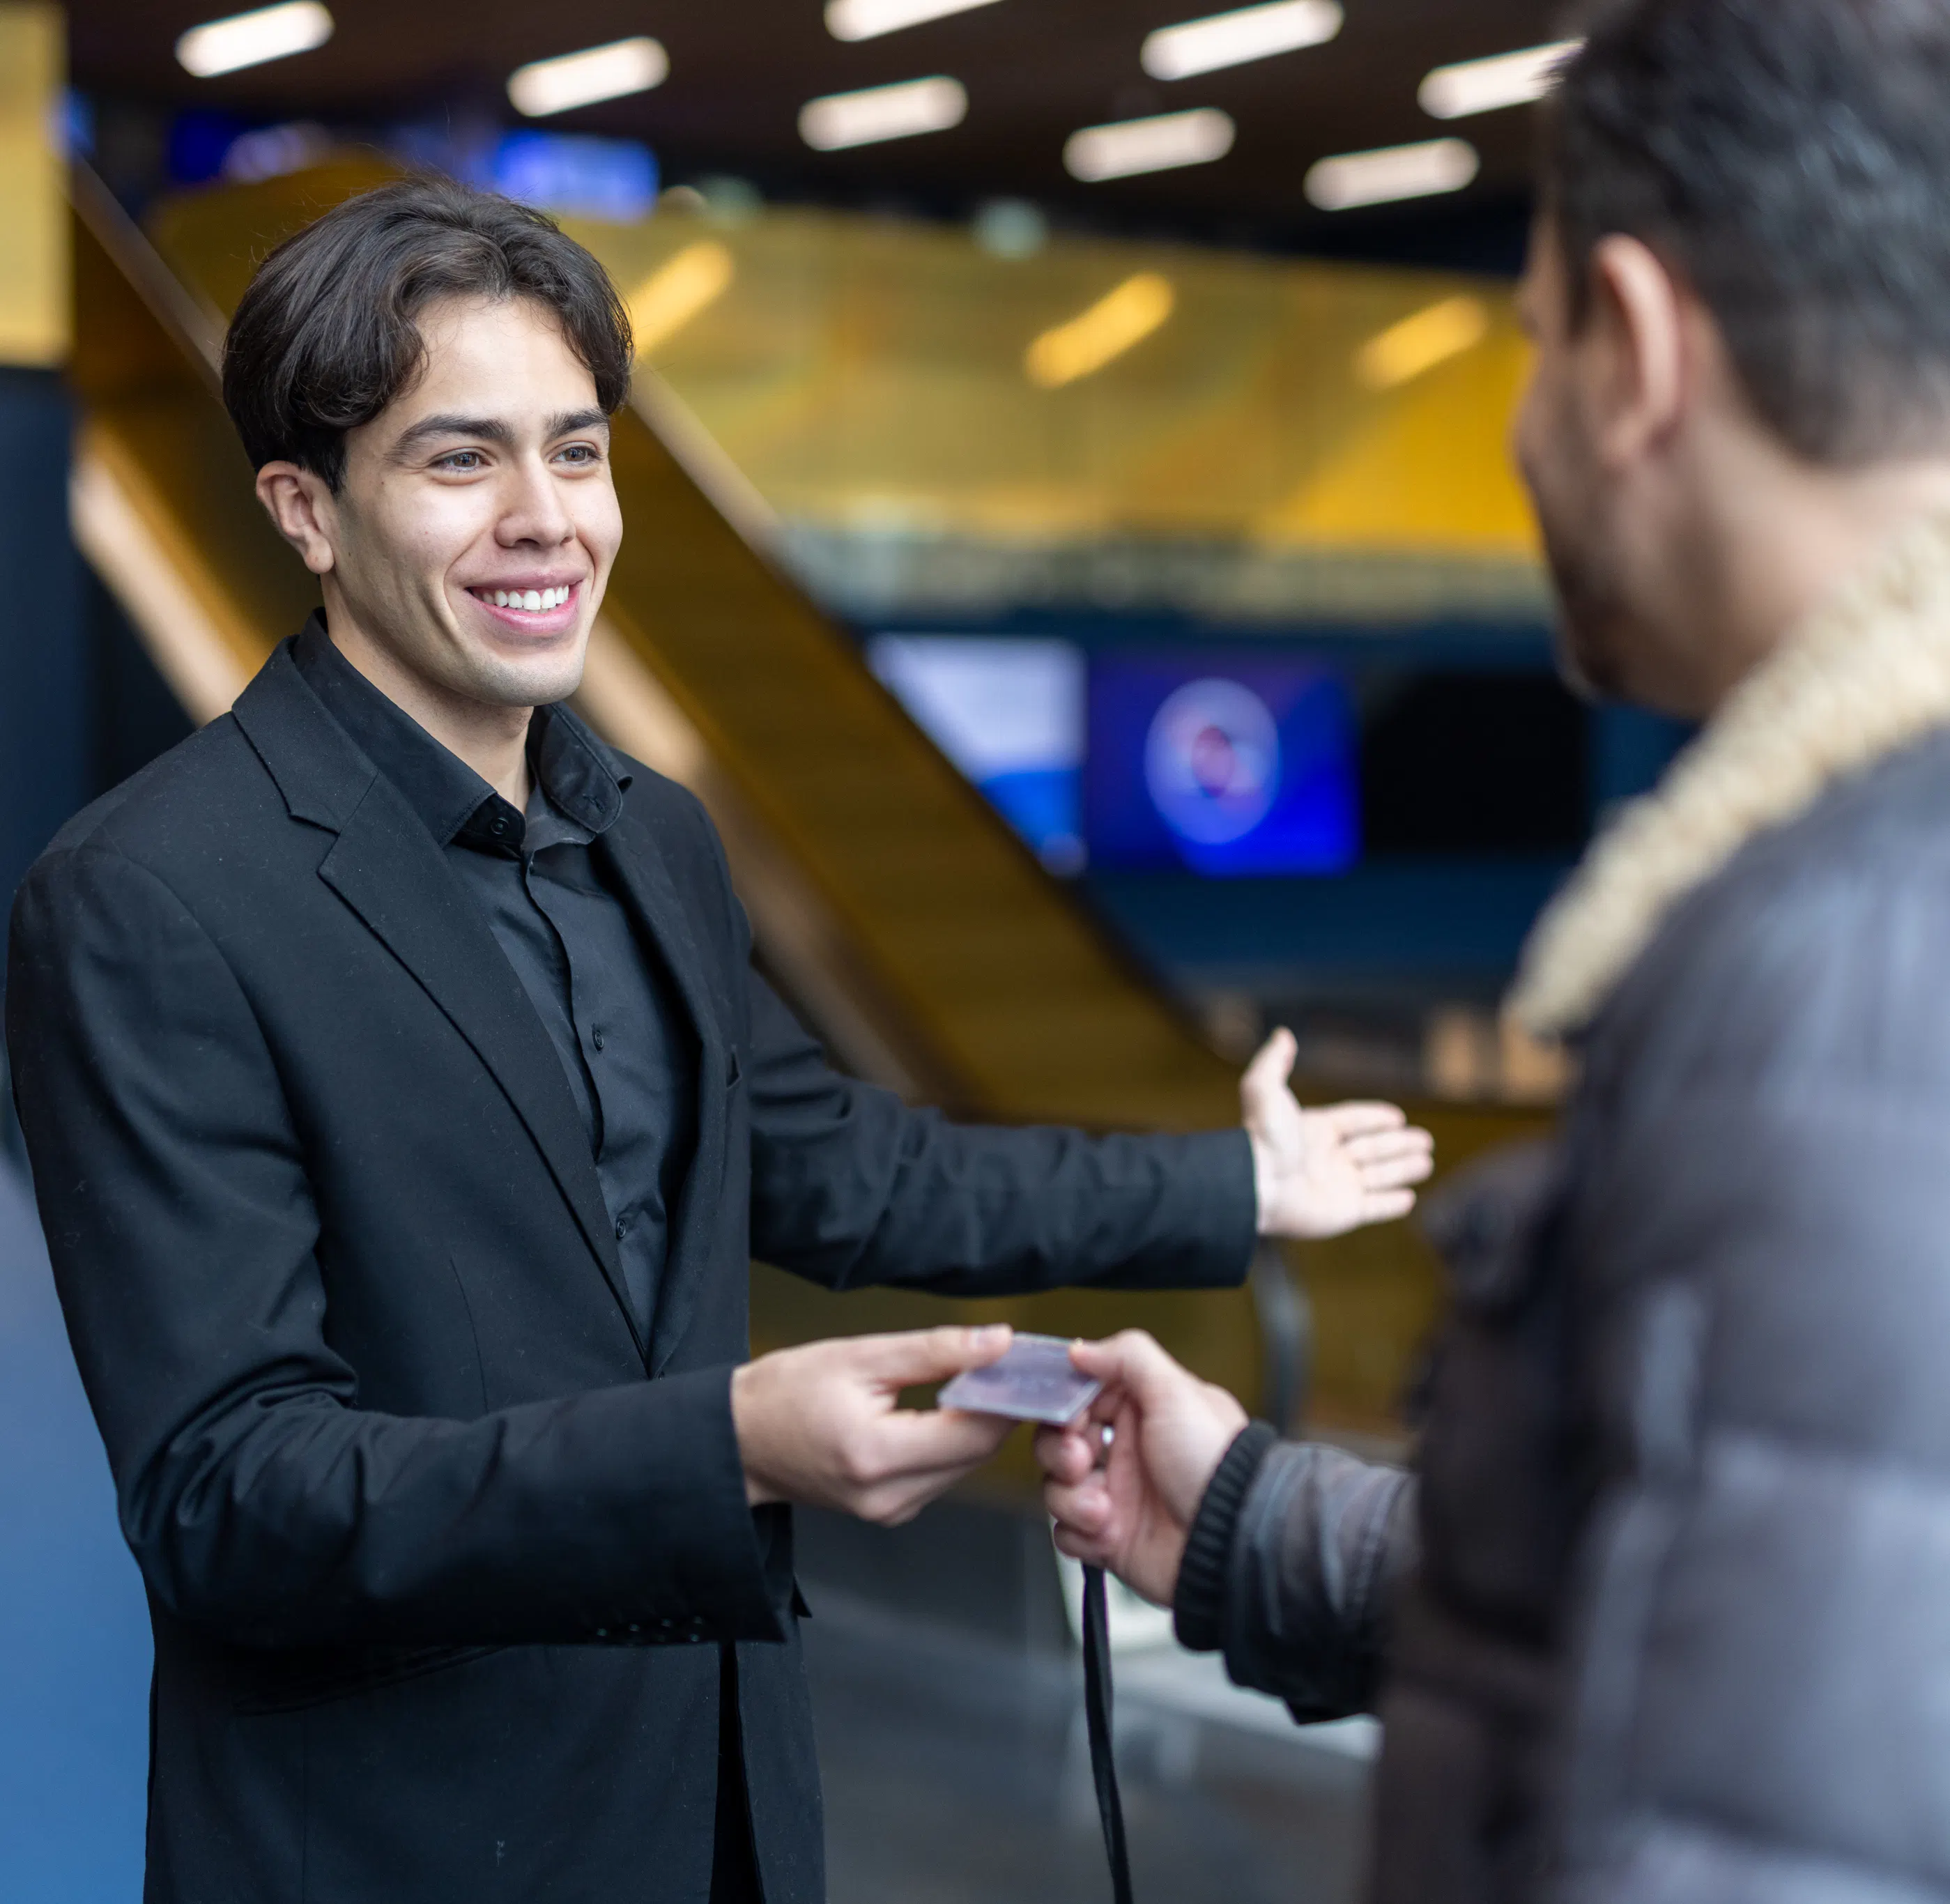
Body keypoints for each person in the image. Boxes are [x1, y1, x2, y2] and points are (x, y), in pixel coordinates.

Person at [2, 178, 1432, 1904]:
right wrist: (728, 1447)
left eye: (579, 450)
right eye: (460, 461)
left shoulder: (653, 835)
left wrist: (1231, 1182)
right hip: (399, 1840)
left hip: (724, 1815)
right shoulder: (150, 896)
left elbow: (843, 1167)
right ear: (305, 510)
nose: (547, 519)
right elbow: (234, 1499)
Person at [1040, 1, 1950, 1898]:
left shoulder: (1833, 970)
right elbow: (1744, 1573)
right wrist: (1239, 1517)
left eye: (1528, 344)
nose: (1525, 425)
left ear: (1628, 349)